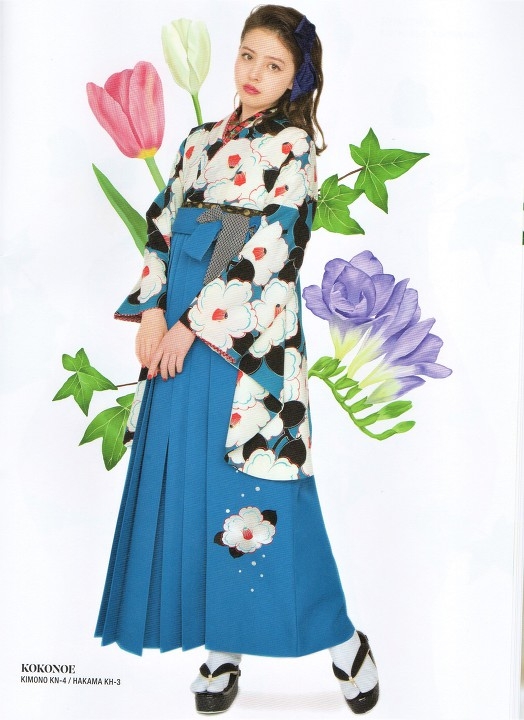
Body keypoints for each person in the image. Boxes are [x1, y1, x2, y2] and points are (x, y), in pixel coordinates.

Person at [95, 4, 379, 715]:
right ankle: (222, 653)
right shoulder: (197, 143)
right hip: (177, 334)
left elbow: (271, 249)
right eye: (248, 55)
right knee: (196, 494)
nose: (254, 72)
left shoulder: (294, 149)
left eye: (273, 65)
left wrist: (192, 325)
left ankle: (343, 643)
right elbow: (162, 230)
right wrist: (152, 313)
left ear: (296, 80)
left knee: (268, 496)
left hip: (245, 345)